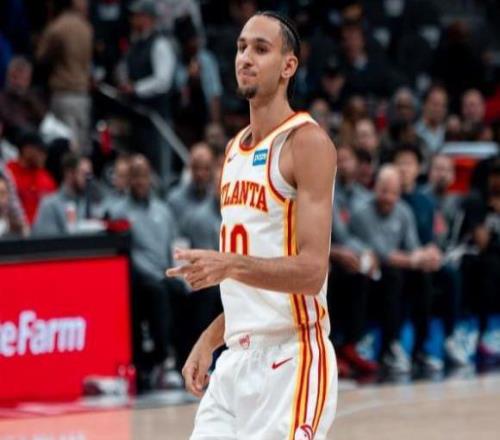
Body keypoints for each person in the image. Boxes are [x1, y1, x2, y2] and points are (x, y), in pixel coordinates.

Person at [167, 11, 337, 440]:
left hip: (292, 360)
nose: (245, 57)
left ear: (288, 66)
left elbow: (312, 271)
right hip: (235, 363)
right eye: (241, 47)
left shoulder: (307, 142)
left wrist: (230, 265)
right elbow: (251, 286)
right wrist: (210, 338)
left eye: (261, 49)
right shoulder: (233, 151)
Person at [349, 166, 441, 373]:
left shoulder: (404, 211)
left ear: (399, 193)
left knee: (424, 277)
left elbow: (412, 247)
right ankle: (389, 348)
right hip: (368, 273)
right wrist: (416, 260)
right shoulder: (362, 213)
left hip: (397, 269)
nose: (388, 198)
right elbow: (383, 254)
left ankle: (420, 348)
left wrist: (428, 255)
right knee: (394, 276)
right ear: (375, 189)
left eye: (393, 193)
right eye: (384, 191)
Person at [36, 0, 93, 153]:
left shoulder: (58, 27)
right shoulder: (86, 27)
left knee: (66, 145)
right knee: (81, 144)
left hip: (64, 92)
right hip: (83, 94)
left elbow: (41, 56)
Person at [32, 153, 99, 235]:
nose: (88, 179)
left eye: (90, 174)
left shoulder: (92, 202)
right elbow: (46, 240)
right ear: (69, 173)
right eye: (84, 174)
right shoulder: (50, 204)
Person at [7, 131, 56, 224]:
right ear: (27, 149)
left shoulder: (46, 178)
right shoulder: (8, 173)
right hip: (14, 230)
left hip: (43, 231)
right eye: (40, 150)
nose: (44, 155)